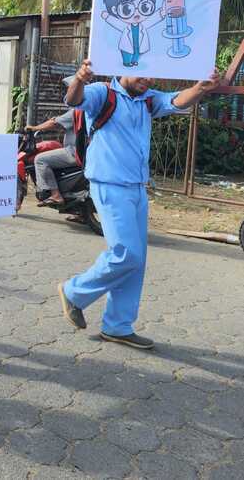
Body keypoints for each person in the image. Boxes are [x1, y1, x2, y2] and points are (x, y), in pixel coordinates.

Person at [58, 59, 224, 349]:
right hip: (109, 184)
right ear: (123, 68)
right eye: (141, 74)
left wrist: (201, 88)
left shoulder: (148, 99)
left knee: (137, 261)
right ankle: (74, 292)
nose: (147, 80)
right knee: (126, 254)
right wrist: (81, 79)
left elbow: (176, 100)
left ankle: (118, 325)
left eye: (151, 75)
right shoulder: (102, 93)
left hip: (137, 187)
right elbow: (74, 100)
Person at [25, 110, 77, 206]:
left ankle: (55, 195)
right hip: (83, 151)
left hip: (74, 151)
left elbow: (54, 123)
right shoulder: (90, 111)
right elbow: (59, 122)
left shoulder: (77, 111)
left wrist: (34, 128)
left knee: (40, 160)